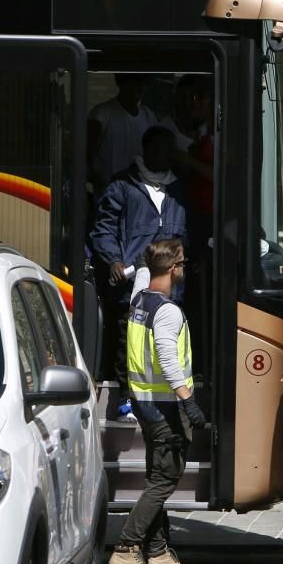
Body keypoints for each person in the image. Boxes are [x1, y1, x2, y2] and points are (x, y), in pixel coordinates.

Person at [106, 239, 206, 564]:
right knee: (164, 479)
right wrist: (187, 400)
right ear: (175, 269)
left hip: (145, 403)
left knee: (156, 477)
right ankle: (126, 549)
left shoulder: (139, 303)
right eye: (181, 264)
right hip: (164, 407)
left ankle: (159, 551)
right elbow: (166, 356)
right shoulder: (167, 311)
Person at [89, 126, 187, 416]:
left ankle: (166, 396)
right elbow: (103, 229)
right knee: (129, 341)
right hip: (132, 282)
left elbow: (188, 232)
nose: (166, 155)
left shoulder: (177, 188)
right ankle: (127, 397)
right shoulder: (123, 185)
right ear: (147, 150)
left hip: (170, 284)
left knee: (166, 341)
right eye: (160, 149)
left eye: (170, 149)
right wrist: (114, 260)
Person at [88, 73, 157, 192]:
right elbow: (84, 157)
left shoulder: (148, 116)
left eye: (141, 80)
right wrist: (100, 185)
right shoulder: (102, 114)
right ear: (120, 82)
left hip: (140, 196)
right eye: (133, 80)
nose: (138, 86)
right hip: (109, 197)